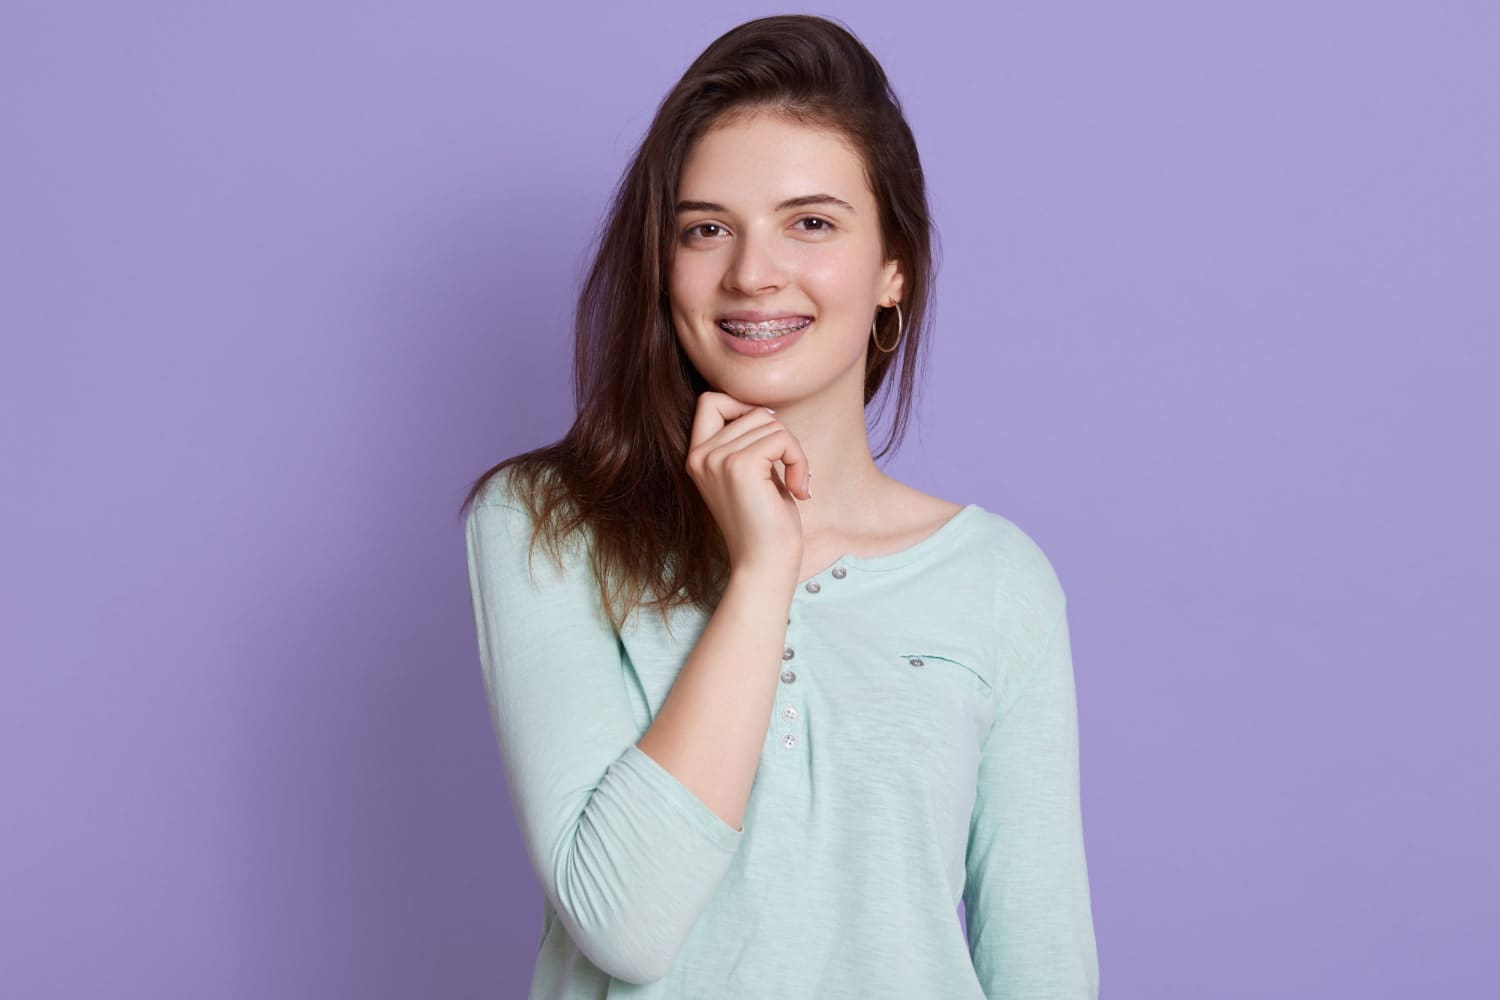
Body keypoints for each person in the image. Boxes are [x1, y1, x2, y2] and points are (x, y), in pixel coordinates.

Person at [459, 13, 1099, 998]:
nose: (752, 272)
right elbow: (622, 921)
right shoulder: (543, 523)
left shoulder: (998, 580)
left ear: (895, 268)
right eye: (706, 228)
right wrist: (762, 571)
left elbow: (1041, 965)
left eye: (811, 222)